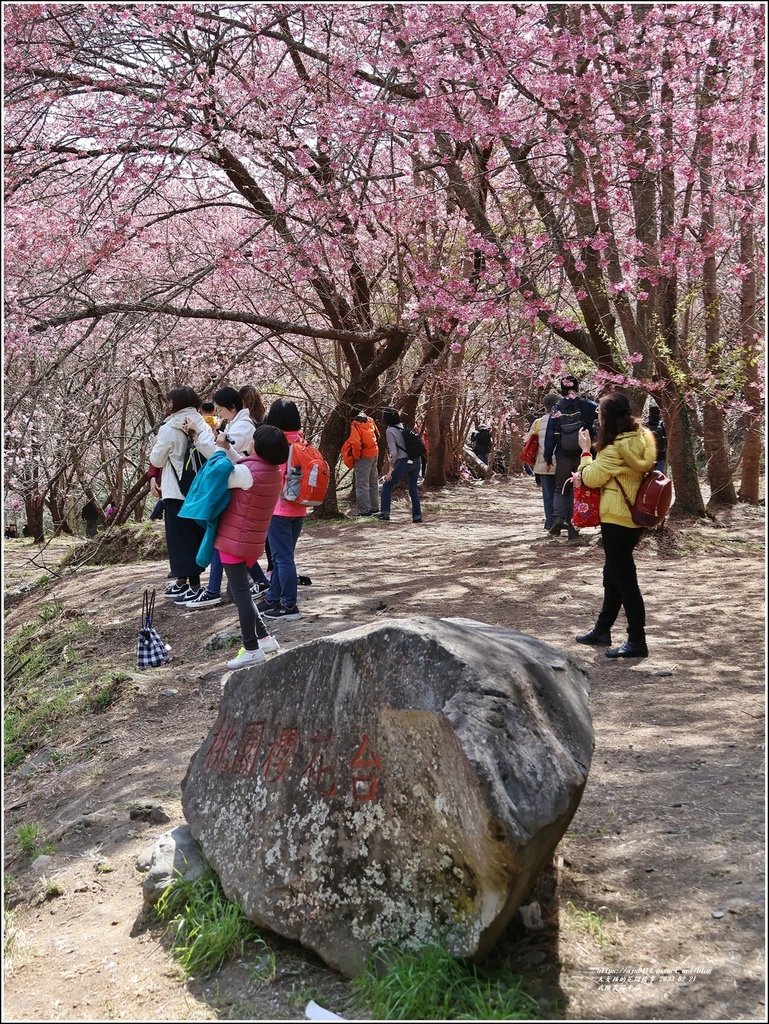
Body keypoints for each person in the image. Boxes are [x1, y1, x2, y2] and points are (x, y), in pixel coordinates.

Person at [573, 391, 657, 659]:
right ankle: (602, 629)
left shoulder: (615, 447)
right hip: (635, 515)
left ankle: (637, 640)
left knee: (624, 579)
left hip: (617, 517)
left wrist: (586, 452)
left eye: (600, 411)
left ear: (607, 417)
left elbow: (593, 477)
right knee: (612, 574)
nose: (597, 414)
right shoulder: (641, 437)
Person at [182, 386, 263, 610]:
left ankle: (213, 590)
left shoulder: (243, 427)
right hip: (238, 482)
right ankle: (258, 581)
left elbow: (223, 455)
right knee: (224, 537)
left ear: (232, 407)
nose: (217, 414)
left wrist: (200, 434)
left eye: (219, 409)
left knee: (222, 535)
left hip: (241, 484)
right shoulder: (235, 424)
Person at [149, 386, 216, 602]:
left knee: (180, 539)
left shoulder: (169, 428)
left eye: (169, 401)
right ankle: (184, 581)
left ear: (175, 403)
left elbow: (157, 460)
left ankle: (193, 585)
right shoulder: (201, 423)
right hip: (198, 489)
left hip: (176, 491)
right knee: (194, 535)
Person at [256, 399, 307, 621]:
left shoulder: (274, 441)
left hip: (278, 509)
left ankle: (289, 605)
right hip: (300, 507)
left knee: (283, 558)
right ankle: (273, 597)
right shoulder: (301, 440)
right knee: (282, 557)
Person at [544, 375, 598, 540]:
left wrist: (547, 456)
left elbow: (550, 435)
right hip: (585, 455)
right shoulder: (588, 406)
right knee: (579, 490)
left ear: (561, 390)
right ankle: (575, 527)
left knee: (561, 489)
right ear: (578, 388)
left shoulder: (556, 408)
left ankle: (558, 518)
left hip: (563, 454)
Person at [377, 408, 422, 523]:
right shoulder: (403, 425)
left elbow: (394, 453)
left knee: (387, 485)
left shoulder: (390, 431)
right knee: (413, 489)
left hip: (404, 462)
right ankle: (417, 516)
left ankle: (385, 514)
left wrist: (390, 470)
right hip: (416, 460)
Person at [523, 394, 559, 531]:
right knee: (563, 494)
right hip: (561, 463)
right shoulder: (562, 419)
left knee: (548, 496)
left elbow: (527, 441)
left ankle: (550, 523)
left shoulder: (538, 422)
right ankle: (564, 521)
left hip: (543, 464)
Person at [342, 409, 380, 517]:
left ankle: (364, 511)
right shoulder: (370, 421)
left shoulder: (355, 425)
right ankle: (375, 508)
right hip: (374, 453)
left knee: (362, 484)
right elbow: (377, 434)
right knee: (373, 482)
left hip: (363, 456)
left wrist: (356, 456)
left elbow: (355, 442)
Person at [645, 404, 667, 473]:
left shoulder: (645, 424)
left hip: (647, 456)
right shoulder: (662, 424)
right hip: (661, 455)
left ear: (649, 413)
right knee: (659, 479)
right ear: (659, 413)